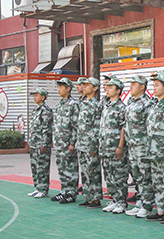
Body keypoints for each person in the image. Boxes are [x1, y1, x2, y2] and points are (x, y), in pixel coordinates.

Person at [146, 71, 164, 223]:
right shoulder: (154, 104)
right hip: (153, 149)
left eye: (157, 85)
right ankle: (160, 209)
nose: (154, 88)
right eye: (154, 85)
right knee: (157, 181)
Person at [100, 76, 131, 214]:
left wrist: (120, 146)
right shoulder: (106, 106)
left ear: (118, 90)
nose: (107, 89)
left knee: (119, 176)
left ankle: (122, 202)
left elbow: (124, 128)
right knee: (109, 176)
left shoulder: (121, 107)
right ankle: (115, 200)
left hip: (115, 147)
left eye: (111, 87)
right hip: (105, 148)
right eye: (107, 87)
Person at [125, 75, 154, 218]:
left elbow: (150, 127)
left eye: (134, 84)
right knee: (137, 177)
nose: (131, 86)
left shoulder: (147, 104)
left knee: (145, 177)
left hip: (143, 147)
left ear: (142, 87)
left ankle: (147, 205)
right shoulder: (131, 102)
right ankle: (140, 202)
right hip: (132, 147)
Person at [75, 77, 103, 209]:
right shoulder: (83, 103)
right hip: (81, 143)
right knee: (84, 172)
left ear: (95, 88)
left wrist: (93, 145)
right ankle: (88, 196)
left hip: (90, 144)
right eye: (84, 85)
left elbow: (97, 127)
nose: (84, 86)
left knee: (93, 171)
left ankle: (96, 199)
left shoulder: (97, 105)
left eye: (88, 85)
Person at [51, 78, 80, 204]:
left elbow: (75, 125)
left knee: (70, 169)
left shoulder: (73, 104)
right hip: (59, 143)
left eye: (61, 87)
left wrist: (72, 142)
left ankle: (71, 193)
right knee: (61, 168)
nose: (59, 89)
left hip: (68, 143)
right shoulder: (59, 105)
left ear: (68, 88)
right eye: (58, 87)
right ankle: (64, 190)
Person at [27, 88, 53, 198]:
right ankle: (37, 187)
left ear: (43, 97)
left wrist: (44, 143)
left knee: (42, 167)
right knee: (35, 167)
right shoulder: (35, 109)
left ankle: (43, 189)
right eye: (34, 95)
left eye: (37, 95)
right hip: (34, 143)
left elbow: (46, 128)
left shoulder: (45, 110)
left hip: (41, 143)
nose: (35, 97)